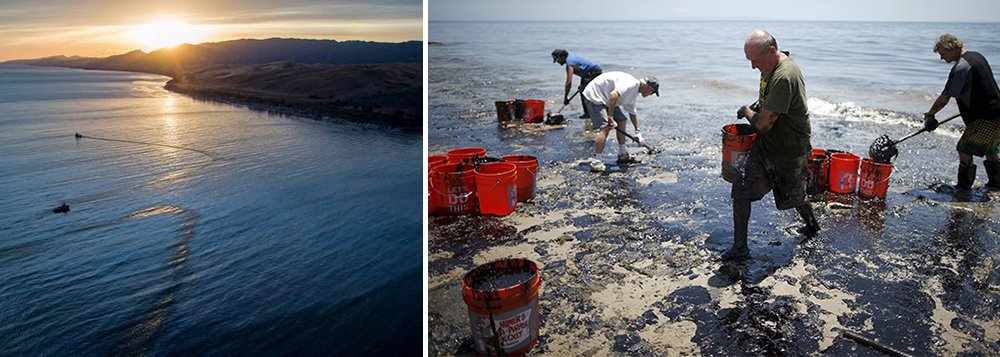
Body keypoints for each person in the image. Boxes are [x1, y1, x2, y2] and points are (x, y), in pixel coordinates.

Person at [723, 29, 820, 261]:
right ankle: (740, 248)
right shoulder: (770, 65)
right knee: (741, 189)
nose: (753, 67)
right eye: (750, 61)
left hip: (789, 148)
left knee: (794, 195)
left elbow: (764, 124)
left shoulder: (784, 76)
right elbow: (768, 106)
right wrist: (759, 106)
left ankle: (812, 226)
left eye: (755, 61)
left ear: (772, 51)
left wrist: (747, 111)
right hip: (766, 145)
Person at [921, 34, 1000, 191]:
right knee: (990, 150)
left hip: (985, 117)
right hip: (997, 113)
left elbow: (945, 98)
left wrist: (930, 116)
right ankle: (996, 184)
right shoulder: (977, 57)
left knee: (964, 148)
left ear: (953, 48)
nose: (942, 58)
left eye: (943, 54)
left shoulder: (961, 67)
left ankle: (963, 188)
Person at [580, 71, 658, 172]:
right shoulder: (631, 85)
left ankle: (623, 154)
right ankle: (596, 161)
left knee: (622, 120)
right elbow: (613, 95)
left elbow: (632, 112)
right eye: (653, 92)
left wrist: (637, 132)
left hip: (607, 98)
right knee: (605, 127)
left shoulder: (634, 92)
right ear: (649, 88)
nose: (651, 95)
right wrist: (610, 118)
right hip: (595, 95)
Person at [552, 49, 603, 119]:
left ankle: (590, 114)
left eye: (557, 59)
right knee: (582, 91)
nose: (557, 62)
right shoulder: (571, 58)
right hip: (589, 73)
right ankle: (589, 113)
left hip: (594, 72)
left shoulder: (570, 64)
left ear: (562, 56)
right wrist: (582, 84)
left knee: (586, 93)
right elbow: (584, 70)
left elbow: (568, 82)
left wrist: (566, 97)